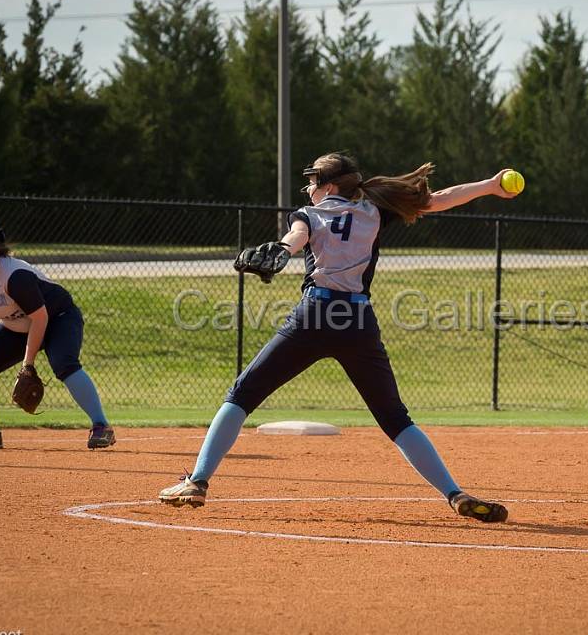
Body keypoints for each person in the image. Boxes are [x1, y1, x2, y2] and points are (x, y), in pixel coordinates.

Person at [159, 153, 518, 522]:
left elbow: (295, 238)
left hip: (314, 316)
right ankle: (454, 493)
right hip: (358, 320)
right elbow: (441, 198)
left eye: (313, 181)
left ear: (328, 186)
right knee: (396, 418)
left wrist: (282, 250)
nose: (309, 187)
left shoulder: (308, 214)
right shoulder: (374, 210)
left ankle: (197, 481)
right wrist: (491, 185)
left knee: (243, 393)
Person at [0, 220, 115, 450]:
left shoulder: (14, 275)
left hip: (58, 317)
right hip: (20, 323)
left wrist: (27, 365)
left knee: (65, 365)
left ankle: (102, 427)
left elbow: (40, 318)